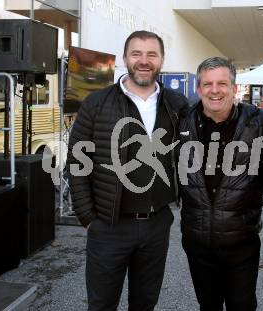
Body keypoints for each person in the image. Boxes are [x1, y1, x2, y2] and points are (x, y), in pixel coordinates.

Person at [67, 30, 188, 311]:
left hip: (157, 223)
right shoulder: (97, 103)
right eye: (136, 54)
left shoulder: (177, 104)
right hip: (109, 226)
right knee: (101, 304)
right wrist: (88, 218)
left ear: (161, 60)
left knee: (145, 303)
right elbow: (77, 162)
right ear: (125, 58)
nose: (143, 61)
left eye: (151, 54)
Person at [177, 57, 263, 311]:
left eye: (222, 83)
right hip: (197, 241)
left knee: (242, 305)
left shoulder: (260, 122)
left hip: (241, 241)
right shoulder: (182, 122)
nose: (215, 90)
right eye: (207, 84)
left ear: (234, 87)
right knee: (208, 305)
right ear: (198, 89)